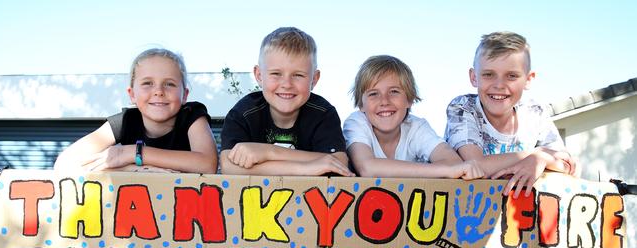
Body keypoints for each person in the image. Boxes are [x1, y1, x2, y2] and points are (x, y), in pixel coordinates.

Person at [444, 31, 577, 197]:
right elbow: (477, 165)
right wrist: (534, 155)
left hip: (517, 213)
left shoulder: (535, 112)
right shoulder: (463, 107)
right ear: (474, 77)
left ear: (528, 79)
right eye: (488, 74)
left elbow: (568, 165)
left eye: (511, 76)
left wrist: (542, 160)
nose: (499, 85)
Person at [54, 48, 218, 174]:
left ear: (184, 95)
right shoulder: (125, 121)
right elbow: (65, 162)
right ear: (132, 94)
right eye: (147, 83)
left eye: (170, 84)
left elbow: (207, 164)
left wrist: (132, 153)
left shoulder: (192, 115)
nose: (158, 91)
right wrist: (133, 169)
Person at [220, 27, 353, 176]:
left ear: (314, 79)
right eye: (276, 73)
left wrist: (268, 152)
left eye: (298, 75)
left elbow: (339, 162)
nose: (287, 84)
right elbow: (227, 165)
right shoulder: (243, 113)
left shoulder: (323, 113)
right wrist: (307, 168)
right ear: (259, 75)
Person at [343, 55, 483, 179]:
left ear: (409, 100)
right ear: (361, 105)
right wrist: (444, 170)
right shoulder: (356, 123)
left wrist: (449, 169)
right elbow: (368, 168)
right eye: (374, 94)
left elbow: (454, 163)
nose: (384, 101)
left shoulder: (416, 127)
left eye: (394, 91)